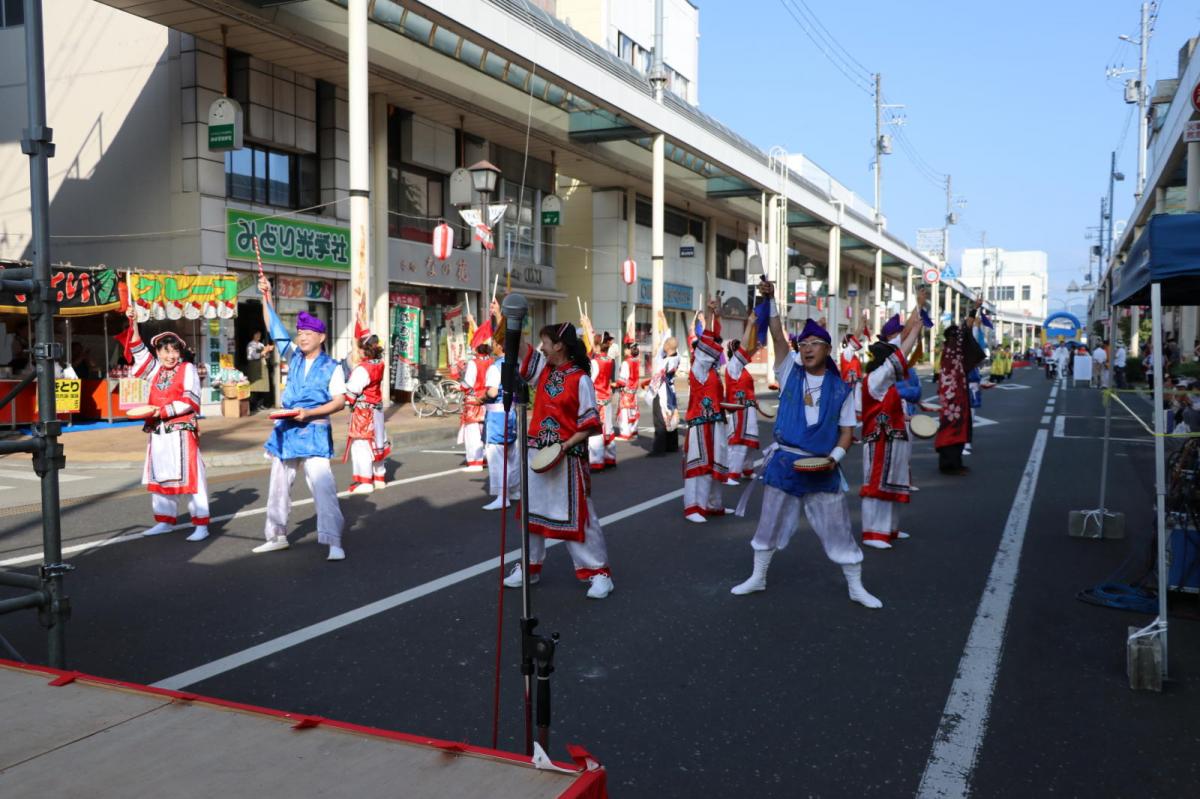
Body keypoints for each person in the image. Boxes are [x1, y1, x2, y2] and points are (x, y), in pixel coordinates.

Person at [729, 282, 881, 608]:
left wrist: (835, 458)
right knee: (768, 524)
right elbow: (777, 333)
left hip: (823, 465)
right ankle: (758, 577)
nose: (808, 348)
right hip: (784, 463)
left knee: (838, 528)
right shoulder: (789, 372)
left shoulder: (841, 389)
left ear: (828, 349)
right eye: (804, 344)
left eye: (815, 343)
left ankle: (856, 586)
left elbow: (846, 432)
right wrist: (768, 299)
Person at [502, 321, 614, 599]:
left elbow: (589, 423)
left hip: (568, 457)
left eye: (546, 343)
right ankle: (530, 567)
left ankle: (599, 573)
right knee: (532, 514)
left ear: (559, 346)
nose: (542, 348)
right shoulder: (543, 370)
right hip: (537, 454)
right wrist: (511, 319)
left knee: (579, 517)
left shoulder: (580, 379)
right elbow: (521, 350)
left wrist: (564, 446)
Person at [254, 275, 347, 560]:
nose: (302, 336)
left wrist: (309, 412)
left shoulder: (333, 367)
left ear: (321, 337)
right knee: (278, 486)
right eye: (300, 332)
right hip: (286, 429)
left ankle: (334, 541)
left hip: (315, 429)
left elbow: (340, 402)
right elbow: (273, 326)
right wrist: (265, 297)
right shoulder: (293, 355)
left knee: (323, 486)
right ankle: (276, 535)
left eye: (308, 333)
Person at [125, 309, 210, 542]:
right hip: (159, 432)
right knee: (161, 475)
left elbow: (189, 400)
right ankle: (164, 520)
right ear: (158, 352)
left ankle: (201, 523)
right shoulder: (155, 370)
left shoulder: (187, 369)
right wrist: (132, 322)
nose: (170, 356)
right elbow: (138, 351)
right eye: (165, 351)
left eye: (174, 351)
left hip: (181, 431)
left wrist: (159, 411)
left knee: (192, 477)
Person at [859, 298, 926, 550]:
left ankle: (890, 529)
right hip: (879, 442)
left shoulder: (885, 383)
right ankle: (873, 533)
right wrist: (915, 331)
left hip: (893, 439)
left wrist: (915, 324)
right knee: (877, 485)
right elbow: (900, 353)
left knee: (894, 483)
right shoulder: (875, 379)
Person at [682, 297, 733, 523]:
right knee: (699, 464)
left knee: (716, 461)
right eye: (709, 348)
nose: (715, 351)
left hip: (716, 421)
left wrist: (716, 315)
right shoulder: (698, 368)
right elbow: (709, 340)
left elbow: (713, 338)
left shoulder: (711, 370)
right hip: (700, 423)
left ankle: (713, 504)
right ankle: (694, 507)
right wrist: (710, 319)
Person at [935, 306, 985, 475]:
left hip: (956, 396)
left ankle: (955, 463)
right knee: (953, 429)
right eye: (958, 336)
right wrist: (974, 310)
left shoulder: (951, 351)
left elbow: (966, 330)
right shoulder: (953, 349)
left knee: (957, 428)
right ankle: (950, 465)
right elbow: (966, 329)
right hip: (953, 399)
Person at [343, 323, 391, 495]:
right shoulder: (380, 363)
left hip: (364, 413)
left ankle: (365, 481)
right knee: (377, 442)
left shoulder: (363, 369)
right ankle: (379, 478)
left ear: (363, 350)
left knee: (361, 445)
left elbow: (351, 393)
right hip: (376, 410)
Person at [481, 334, 520, 510]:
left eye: (495, 344)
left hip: (497, 416)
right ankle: (513, 490)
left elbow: (492, 392)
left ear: (500, 347)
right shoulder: (515, 365)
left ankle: (501, 496)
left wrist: (480, 398)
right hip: (511, 412)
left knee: (497, 456)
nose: (493, 346)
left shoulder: (495, 367)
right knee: (511, 454)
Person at [723, 309, 761, 484]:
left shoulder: (740, 367)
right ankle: (732, 473)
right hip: (739, 409)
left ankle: (747, 469)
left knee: (750, 439)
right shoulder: (733, 366)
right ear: (735, 353)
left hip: (748, 408)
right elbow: (745, 348)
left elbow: (747, 351)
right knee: (737, 441)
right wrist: (750, 324)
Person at [583, 324, 618, 471]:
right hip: (607, 397)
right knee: (608, 428)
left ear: (597, 346)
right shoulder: (610, 360)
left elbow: (590, 380)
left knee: (596, 429)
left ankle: (597, 460)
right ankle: (610, 457)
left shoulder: (594, 362)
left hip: (597, 399)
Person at [647, 317, 681, 456]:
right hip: (671, 390)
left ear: (668, 347)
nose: (663, 344)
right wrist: (663, 319)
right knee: (671, 416)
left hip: (662, 392)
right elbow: (667, 335)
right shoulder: (677, 357)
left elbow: (657, 374)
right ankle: (672, 445)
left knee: (660, 419)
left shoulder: (664, 362)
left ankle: (659, 449)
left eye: (665, 343)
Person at [458, 342, 492, 472]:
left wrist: (460, 386)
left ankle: (475, 461)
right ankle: (485, 458)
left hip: (474, 400)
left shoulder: (474, 363)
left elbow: (468, 383)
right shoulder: (492, 361)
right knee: (485, 431)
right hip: (488, 399)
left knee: (472, 432)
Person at [614, 339, 642, 441]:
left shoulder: (626, 363)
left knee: (624, 411)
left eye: (626, 348)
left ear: (630, 350)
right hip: (634, 391)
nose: (624, 350)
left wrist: (614, 384)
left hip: (626, 391)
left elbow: (622, 380)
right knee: (633, 411)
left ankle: (625, 433)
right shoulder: (637, 361)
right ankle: (633, 431)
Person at [245, 329, 275, 411]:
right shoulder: (251, 345)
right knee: (254, 387)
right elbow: (252, 356)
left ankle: (261, 404)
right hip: (255, 368)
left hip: (263, 367)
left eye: (259, 334)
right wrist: (264, 351)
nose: (258, 336)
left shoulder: (261, 344)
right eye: (256, 334)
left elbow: (266, 356)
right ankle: (253, 406)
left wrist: (268, 352)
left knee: (264, 387)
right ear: (252, 335)